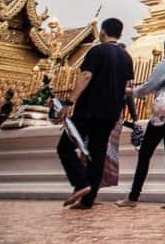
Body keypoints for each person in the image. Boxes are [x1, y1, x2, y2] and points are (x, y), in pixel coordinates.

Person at [57, 18, 134, 209]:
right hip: (111, 114)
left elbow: (86, 75)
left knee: (65, 146)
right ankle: (87, 200)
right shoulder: (127, 57)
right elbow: (127, 88)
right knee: (97, 153)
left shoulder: (97, 50)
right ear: (120, 34)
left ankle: (80, 183)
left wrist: (69, 101)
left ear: (102, 32)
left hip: (88, 110)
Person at [117, 35, 165, 209]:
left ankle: (133, 197)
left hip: (164, 115)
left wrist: (132, 92)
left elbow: (150, 85)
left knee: (145, 154)